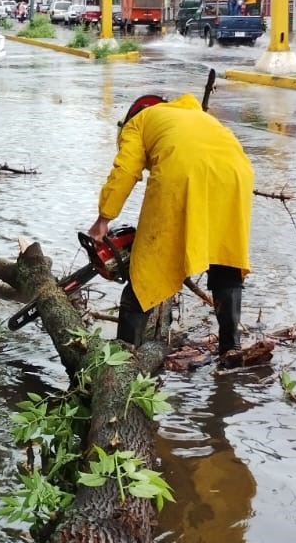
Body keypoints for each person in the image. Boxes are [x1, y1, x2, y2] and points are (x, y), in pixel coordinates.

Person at [88, 93, 254, 362]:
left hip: (182, 173)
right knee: (225, 259)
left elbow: (125, 170)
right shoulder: (195, 115)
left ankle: (121, 359)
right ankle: (230, 347)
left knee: (146, 272)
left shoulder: (138, 122)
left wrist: (103, 218)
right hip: (237, 175)